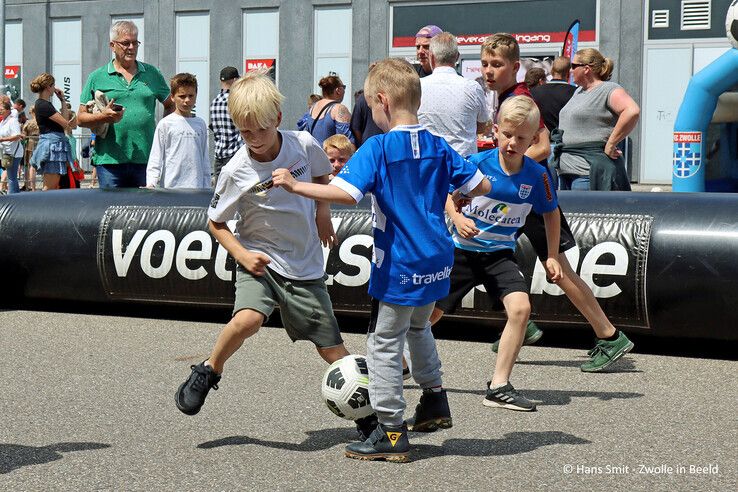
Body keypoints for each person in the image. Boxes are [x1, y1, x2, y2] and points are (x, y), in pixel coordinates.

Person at [273, 58, 491, 462]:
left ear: (381, 100)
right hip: (438, 257)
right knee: (419, 326)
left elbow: (344, 193)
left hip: (401, 262)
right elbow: (483, 183)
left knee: (384, 342)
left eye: (371, 106)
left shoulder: (378, 146)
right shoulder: (438, 144)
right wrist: (457, 198)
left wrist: (295, 185)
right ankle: (435, 398)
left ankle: (391, 432)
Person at [173, 70, 378, 442]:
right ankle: (208, 370)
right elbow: (215, 223)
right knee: (248, 320)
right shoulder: (236, 170)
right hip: (261, 261)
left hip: (305, 265)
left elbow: (320, 177)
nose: (252, 139)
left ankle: (368, 421)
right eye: (243, 131)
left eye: (259, 130)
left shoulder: (302, 143)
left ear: (277, 120)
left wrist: (321, 214)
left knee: (332, 348)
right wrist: (243, 255)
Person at [480, 33, 634, 372]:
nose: (489, 71)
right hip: (514, 199)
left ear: (515, 67)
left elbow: (542, 148)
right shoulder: (503, 97)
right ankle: (521, 322)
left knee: (559, 269)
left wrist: (505, 168)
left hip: (531, 199)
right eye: (486, 64)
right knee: (487, 252)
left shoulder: (522, 99)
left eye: (498, 65)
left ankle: (609, 335)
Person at [430, 96, 562, 411]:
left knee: (520, 309)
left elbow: (552, 214)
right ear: (495, 131)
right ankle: (400, 362)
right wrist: (458, 218)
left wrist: (553, 255)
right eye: (507, 134)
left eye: (521, 137)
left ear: (534, 139)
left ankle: (499, 385)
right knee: (430, 315)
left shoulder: (537, 176)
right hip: (460, 252)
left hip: (499, 254)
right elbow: (446, 194)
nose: (512, 143)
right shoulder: (477, 164)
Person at [77, 20, 173, 188]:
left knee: (145, 213)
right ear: (112, 45)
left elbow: (170, 104)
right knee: (112, 212)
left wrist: (162, 133)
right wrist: (103, 117)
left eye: (135, 43)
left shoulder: (152, 73)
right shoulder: (97, 77)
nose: (131, 47)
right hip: (109, 162)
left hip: (147, 159)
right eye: (125, 43)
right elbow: (80, 118)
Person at [556, 48, 640, 191]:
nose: (570, 70)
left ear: (586, 69)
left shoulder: (608, 89)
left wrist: (611, 143)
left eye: (573, 66)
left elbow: (632, 111)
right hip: (566, 171)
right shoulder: (578, 91)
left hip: (587, 173)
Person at [418, 31, 489, 157]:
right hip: (464, 167)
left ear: (432, 57)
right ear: (457, 57)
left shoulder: (418, 87)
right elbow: (482, 127)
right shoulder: (473, 88)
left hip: (430, 166)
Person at [147, 73, 210, 189]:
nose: (187, 100)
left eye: (191, 96)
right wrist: (151, 183)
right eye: (182, 96)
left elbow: (204, 158)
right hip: (171, 188)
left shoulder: (200, 124)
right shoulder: (165, 124)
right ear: (172, 97)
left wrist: (206, 186)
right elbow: (156, 157)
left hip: (197, 188)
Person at [28, 73, 76, 191]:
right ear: (48, 87)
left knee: (52, 186)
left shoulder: (45, 104)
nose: (55, 88)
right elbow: (66, 124)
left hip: (53, 144)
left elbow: (64, 121)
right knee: (50, 187)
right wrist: (76, 121)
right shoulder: (43, 105)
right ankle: (41, 208)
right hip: (52, 146)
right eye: (53, 85)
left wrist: (62, 100)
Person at [297, 73, 354, 146]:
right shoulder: (339, 108)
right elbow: (347, 141)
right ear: (338, 90)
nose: (344, 90)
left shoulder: (313, 108)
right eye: (344, 87)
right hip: (331, 156)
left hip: (314, 155)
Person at [209, 66, 244, 185]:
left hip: (218, 156)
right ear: (235, 80)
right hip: (235, 155)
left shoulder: (215, 102)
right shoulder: (237, 101)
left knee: (220, 197)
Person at [530, 56, 577, 133]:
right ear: (568, 73)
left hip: (542, 140)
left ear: (552, 71)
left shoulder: (534, 93)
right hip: (566, 140)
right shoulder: (576, 93)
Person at [0, 100, 24, 194]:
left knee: (12, 177)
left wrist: (2, 140)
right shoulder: (3, 122)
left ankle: (13, 197)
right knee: (11, 176)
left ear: (8, 110)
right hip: (7, 151)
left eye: (1, 109)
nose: (0, 110)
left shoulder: (12, 121)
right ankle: (16, 196)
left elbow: (17, 136)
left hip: (14, 152)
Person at [21, 106, 39, 191]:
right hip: (41, 143)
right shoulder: (41, 121)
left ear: (32, 112)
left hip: (30, 144)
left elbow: (23, 135)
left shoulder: (29, 122)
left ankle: (30, 186)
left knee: (29, 165)